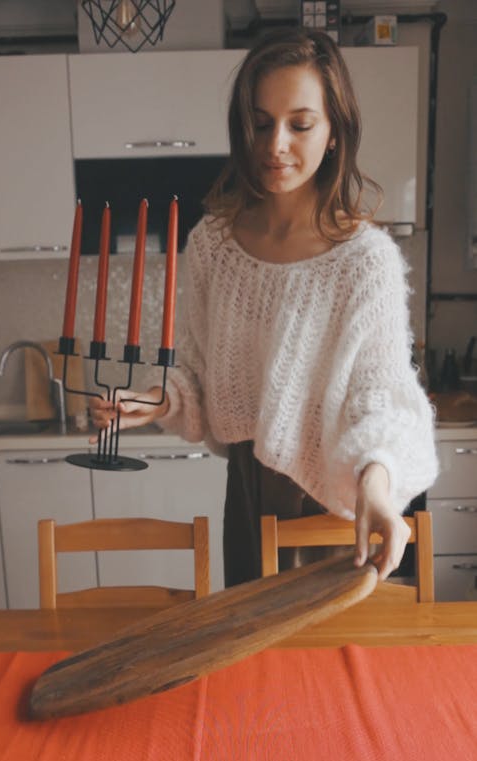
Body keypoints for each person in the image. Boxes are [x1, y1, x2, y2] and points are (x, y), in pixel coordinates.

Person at [90, 26, 438, 587]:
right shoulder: (213, 245)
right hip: (252, 497)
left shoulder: (365, 260)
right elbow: (202, 376)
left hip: (343, 501)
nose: (275, 144)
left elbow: (383, 400)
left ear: (332, 134)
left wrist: (375, 487)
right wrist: (155, 400)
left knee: (335, 668)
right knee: (257, 663)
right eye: (259, 123)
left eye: (300, 124)